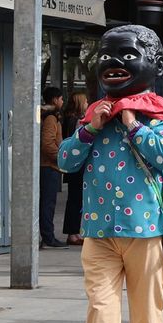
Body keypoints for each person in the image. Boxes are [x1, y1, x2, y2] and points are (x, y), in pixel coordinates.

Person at [57, 25, 163, 323]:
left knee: (146, 311)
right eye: (107, 55)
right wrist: (92, 127)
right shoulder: (93, 119)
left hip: (145, 231)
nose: (114, 63)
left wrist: (132, 122)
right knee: (100, 307)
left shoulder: (161, 117)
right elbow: (65, 160)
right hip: (98, 231)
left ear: (154, 66)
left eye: (128, 55)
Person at [39, 86, 67, 249]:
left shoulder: (50, 116)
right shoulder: (51, 118)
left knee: (46, 203)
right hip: (48, 167)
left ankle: (46, 236)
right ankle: (48, 237)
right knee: (47, 204)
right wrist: (61, 158)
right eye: (61, 98)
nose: (62, 102)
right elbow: (47, 143)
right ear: (55, 99)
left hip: (48, 166)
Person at [62, 91, 90, 246]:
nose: (87, 104)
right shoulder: (78, 121)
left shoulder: (68, 119)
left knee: (74, 199)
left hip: (72, 165)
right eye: (85, 101)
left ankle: (73, 232)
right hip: (78, 166)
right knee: (76, 200)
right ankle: (73, 233)